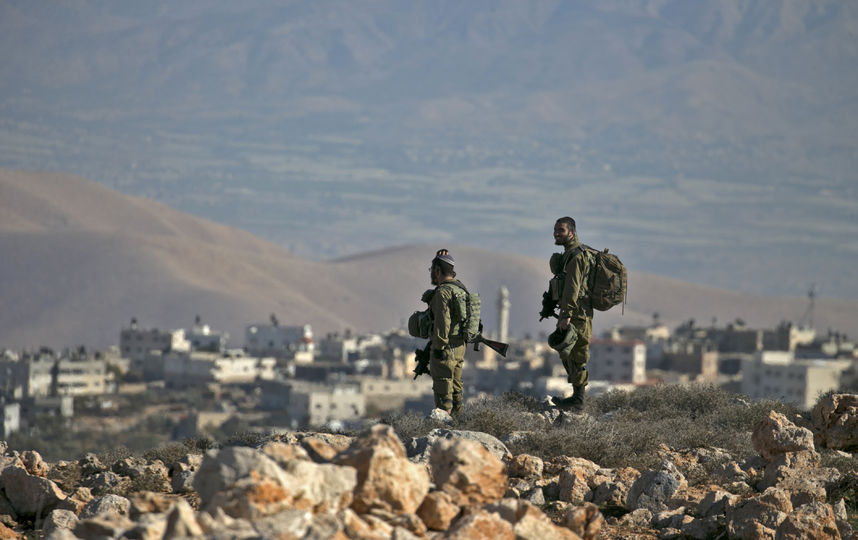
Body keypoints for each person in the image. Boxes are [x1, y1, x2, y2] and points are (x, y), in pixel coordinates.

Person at [548, 217, 593, 410]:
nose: (557, 233)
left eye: (561, 230)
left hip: (577, 313)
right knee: (567, 351)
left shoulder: (577, 256)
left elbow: (573, 288)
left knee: (577, 353)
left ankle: (579, 400)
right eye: (556, 230)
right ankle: (576, 396)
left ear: (572, 233)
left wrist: (566, 315)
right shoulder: (568, 254)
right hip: (572, 311)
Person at [427, 249, 468, 415]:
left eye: (432, 270)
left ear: (437, 271)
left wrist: (438, 347)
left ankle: (445, 427)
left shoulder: (443, 292)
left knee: (444, 388)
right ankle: (459, 423)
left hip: (445, 347)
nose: (431, 274)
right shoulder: (460, 289)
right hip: (459, 347)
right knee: (456, 387)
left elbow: (443, 323)